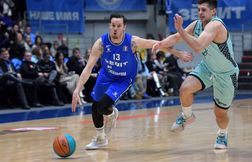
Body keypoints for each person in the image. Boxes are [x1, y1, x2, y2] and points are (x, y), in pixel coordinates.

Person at [71, 13, 192, 150]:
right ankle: (100, 138)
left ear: (124, 27)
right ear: (109, 26)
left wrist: (178, 53)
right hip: (106, 75)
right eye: (113, 26)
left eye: (119, 26)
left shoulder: (132, 42)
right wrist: (77, 89)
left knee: (103, 106)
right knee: (95, 106)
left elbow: (156, 45)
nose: (115, 29)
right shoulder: (101, 43)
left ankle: (111, 114)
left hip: (123, 78)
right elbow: (88, 68)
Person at [152, 0, 239, 149]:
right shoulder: (196, 24)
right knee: (184, 89)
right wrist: (161, 44)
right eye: (198, 9)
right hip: (207, 66)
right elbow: (176, 38)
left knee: (220, 114)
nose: (200, 13)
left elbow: (197, 46)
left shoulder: (216, 26)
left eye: (204, 10)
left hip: (226, 74)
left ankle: (222, 133)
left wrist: (180, 29)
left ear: (213, 12)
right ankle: (187, 116)